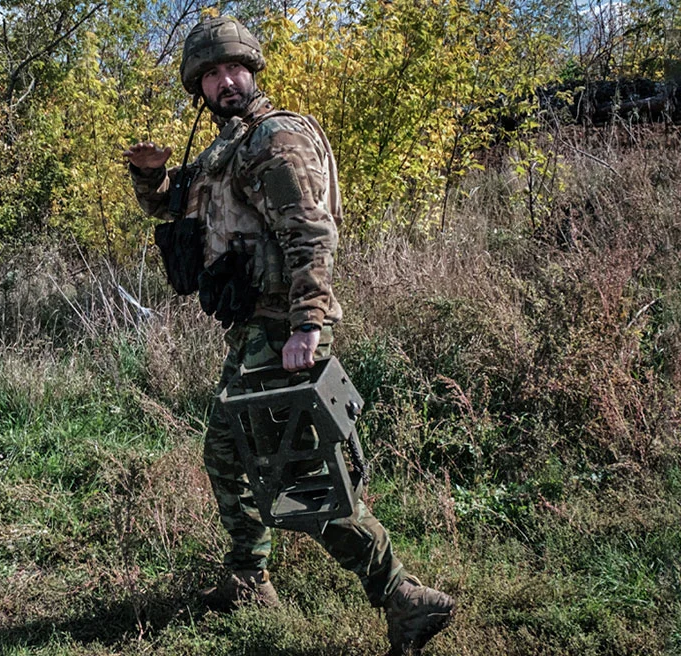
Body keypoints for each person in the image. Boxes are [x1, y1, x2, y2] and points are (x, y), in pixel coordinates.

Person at [124, 16, 454, 655]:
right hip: (253, 333)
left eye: (233, 69)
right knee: (225, 453)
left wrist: (307, 322)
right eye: (212, 75)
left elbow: (310, 232)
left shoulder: (274, 139)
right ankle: (249, 577)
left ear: (253, 70)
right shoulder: (229, 149)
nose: (225, 82)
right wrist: (152, 176)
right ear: (200, 87)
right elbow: (177, 206)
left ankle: (402, 595)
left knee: (297, 479)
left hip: (283, 331)